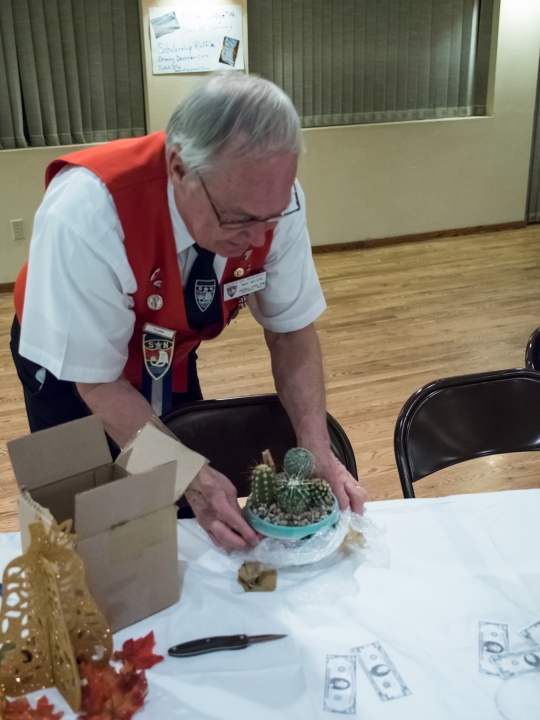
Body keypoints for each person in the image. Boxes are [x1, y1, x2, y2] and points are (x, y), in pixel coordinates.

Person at [10, 72, 367, 549]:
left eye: (272, 216)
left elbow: (290, 332)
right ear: (179, 168)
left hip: (167, 347)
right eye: (238, 219)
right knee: (88, 524)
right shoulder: (86, 211)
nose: (259, 239)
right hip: (68, 362)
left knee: (181, 504)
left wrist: (316, 447)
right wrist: (188, 476)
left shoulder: (270, 204)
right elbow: (96, 380)